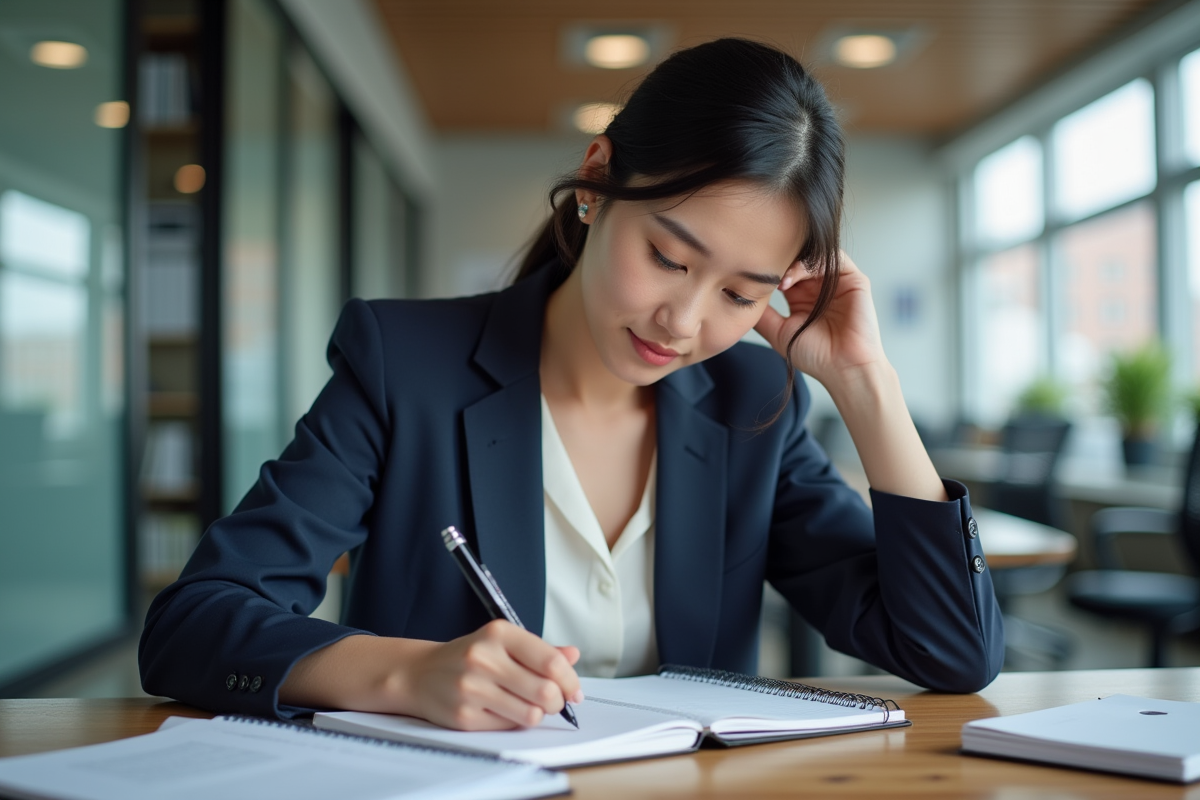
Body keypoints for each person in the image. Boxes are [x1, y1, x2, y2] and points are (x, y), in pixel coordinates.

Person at [140, 37, 1003, 730]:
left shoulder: (753, 403)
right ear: (596, 182)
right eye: (668, 257)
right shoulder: (404, 364)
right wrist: (402, 673)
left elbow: (952, 653)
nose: (683, 320)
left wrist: (866, 386)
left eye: (741, 293)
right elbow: (194, 624)